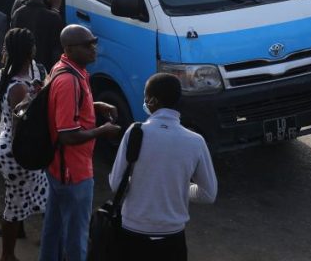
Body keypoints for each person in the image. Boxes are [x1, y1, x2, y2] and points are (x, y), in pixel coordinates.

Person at [109, 73, 217, 260]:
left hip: (132, 231)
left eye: (145, 96)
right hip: (172, 237)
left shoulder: (135, 132)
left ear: (152, 101)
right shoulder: (195, 142)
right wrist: (183, 187)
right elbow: (208, 194)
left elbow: (116, 184)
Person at [38, 25, 122, 261]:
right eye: (87, 45)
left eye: (93, 42)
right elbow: (67, 134)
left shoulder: (70, 70)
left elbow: (66, 111)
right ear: (69, 49)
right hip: (72, 171)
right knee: (77, 236)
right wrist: (102, 131)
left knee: (53, 231)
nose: (93, 48)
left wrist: (95, 106)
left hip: (60, 167)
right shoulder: (69, 81)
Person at [0, 28, 48, 261]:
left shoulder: (5, 75)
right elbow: (23, 126)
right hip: (16, 150)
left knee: (22, 200)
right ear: (31, 50)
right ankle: (8, 255)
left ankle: (12, 252)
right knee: (19, 204)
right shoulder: (19, 87)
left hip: (6, 147)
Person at [10, 0, 64, 71]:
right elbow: (56, 51)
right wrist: (56, 8)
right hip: (43, 72)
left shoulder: (18, 13)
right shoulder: (53, 17)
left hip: (21, 70)